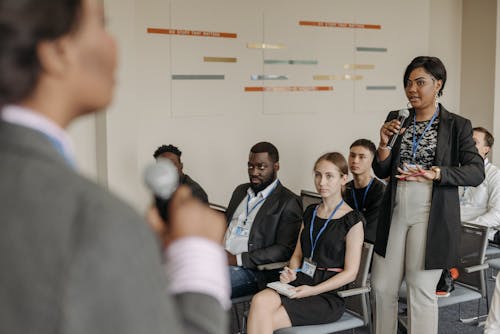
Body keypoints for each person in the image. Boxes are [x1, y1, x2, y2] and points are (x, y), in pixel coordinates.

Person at [0, 1, 229, 333]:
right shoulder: (94, 221)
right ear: (57, 51)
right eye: (103, 24)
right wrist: (197, 255)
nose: (114, 43)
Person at [371, 56, 484, 334]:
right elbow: (380, 169)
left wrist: (438, 173)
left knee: (420, 288)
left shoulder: (457, 125)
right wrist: (383, 145)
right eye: (408, 83)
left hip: (430, 212)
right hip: (396, 208)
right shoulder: (397, 119)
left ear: (438, 84)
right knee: (382, 286)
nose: (412, 89)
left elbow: (475, 171)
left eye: (420, 82)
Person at [246, 152, 364, 333]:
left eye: (329, 176)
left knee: (266, 319)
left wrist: (312, 290)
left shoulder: (353, 220)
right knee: (259, 301)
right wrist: (291, 272)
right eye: (318, 175)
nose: (321, 182)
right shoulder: (310, 212)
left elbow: (350, 273)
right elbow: (297, 256)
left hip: (327, 294)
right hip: (300, 282)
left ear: (343, 179)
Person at [224, 141, 302, 298]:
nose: (254, 172)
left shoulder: (288, 201)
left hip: (252, 271)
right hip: (219, 259)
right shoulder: (240, 191)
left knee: (201, 288)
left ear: (276, 167)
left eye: (261, 167)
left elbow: (284, 249)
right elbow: (224, 225)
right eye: (250, 166)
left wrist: (237, 259)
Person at [460, 127, 500, 241]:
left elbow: (497, 215)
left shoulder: (495, 175)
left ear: (486, 149)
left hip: (475, 235)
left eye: (474, 142)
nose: (468, 144)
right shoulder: (457, 171)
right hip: (449, 229)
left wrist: (467, 228)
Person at [344, 138, 386, 243]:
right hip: (342, 243)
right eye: (352, 155)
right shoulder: (344, 189)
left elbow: (370, 231)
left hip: (367, 247)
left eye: (362, 157)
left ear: (372, 160)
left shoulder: (380, 191)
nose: (355, 160)